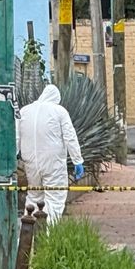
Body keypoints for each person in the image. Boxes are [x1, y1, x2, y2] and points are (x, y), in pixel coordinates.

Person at [17, 84, 84, 223]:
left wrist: (12, 157)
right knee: (54, 199)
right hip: (53, 163)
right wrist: (77, 160)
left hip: (31, 163)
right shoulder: (59, 111)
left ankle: (29, 232)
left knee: (33, 197)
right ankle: (48, 232)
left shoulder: (24, 111)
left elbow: (16, 137)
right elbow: (70, 137)